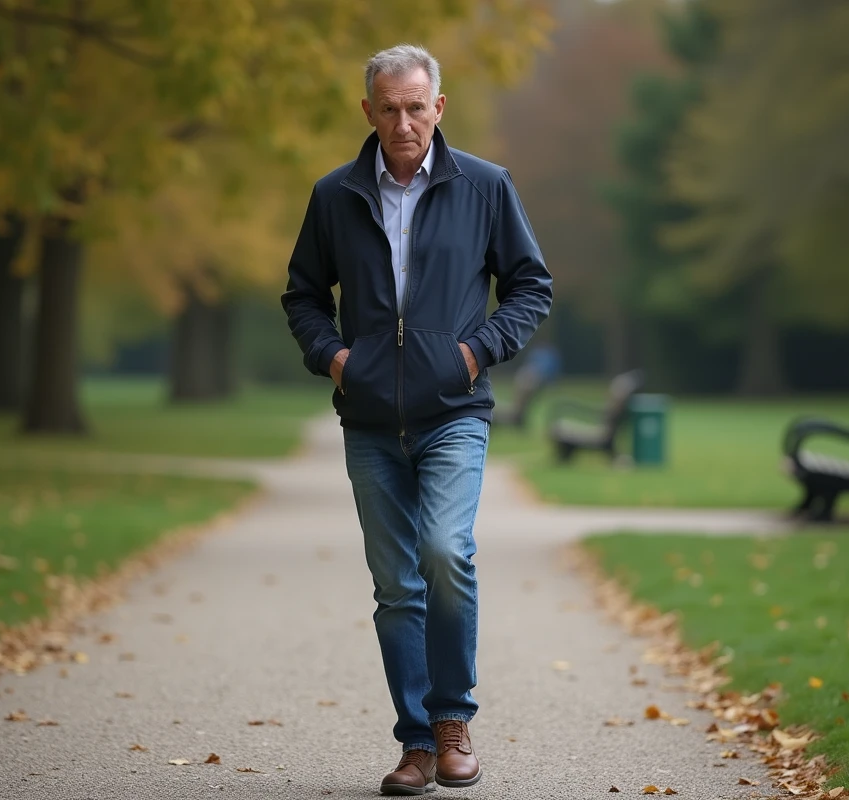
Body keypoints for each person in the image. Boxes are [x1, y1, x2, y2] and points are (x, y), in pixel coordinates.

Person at [282, 44, 552, 796]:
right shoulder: (335, 195)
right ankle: (416, 744)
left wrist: (473, 354)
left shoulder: (486, 187)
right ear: (368, 112)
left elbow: (531, 286)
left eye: (416, 107)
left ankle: (453, 721)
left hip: (453, 413)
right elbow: (303, 295)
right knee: (396, 586)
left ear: (439, 108)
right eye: (389, 109)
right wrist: (337, 360)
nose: (404, 122)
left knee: (444, 551)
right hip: (369, 422)